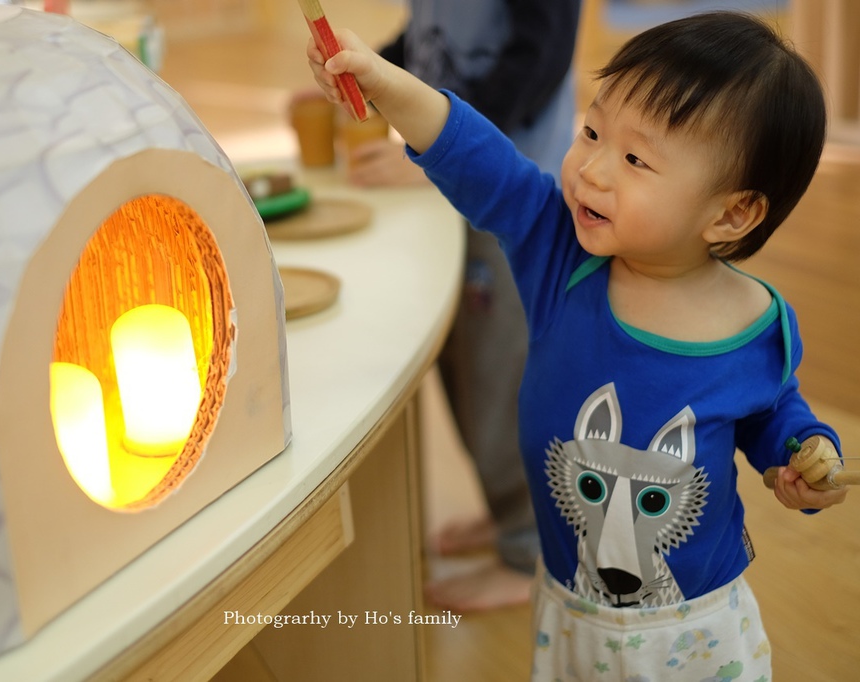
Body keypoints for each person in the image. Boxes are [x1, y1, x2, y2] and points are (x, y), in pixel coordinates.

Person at [307, 11, 848, 679]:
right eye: (591, 131)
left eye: (634, 159)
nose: (590, 169)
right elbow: (484, 161)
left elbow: (772, 412)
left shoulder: (754, 321)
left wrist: (804, 450)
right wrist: (386, 82)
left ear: (731, 213)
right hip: (570, 610)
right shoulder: (560, 254)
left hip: (696, 632)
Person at [346, 0, 581, 613]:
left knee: (502, 371)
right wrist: (369, 69)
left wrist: (446, 155)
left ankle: (530, 548)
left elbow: (539, 59)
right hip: (458, 173)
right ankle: (505, 507)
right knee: (462, 360)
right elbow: (428, 41)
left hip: (513, 193)